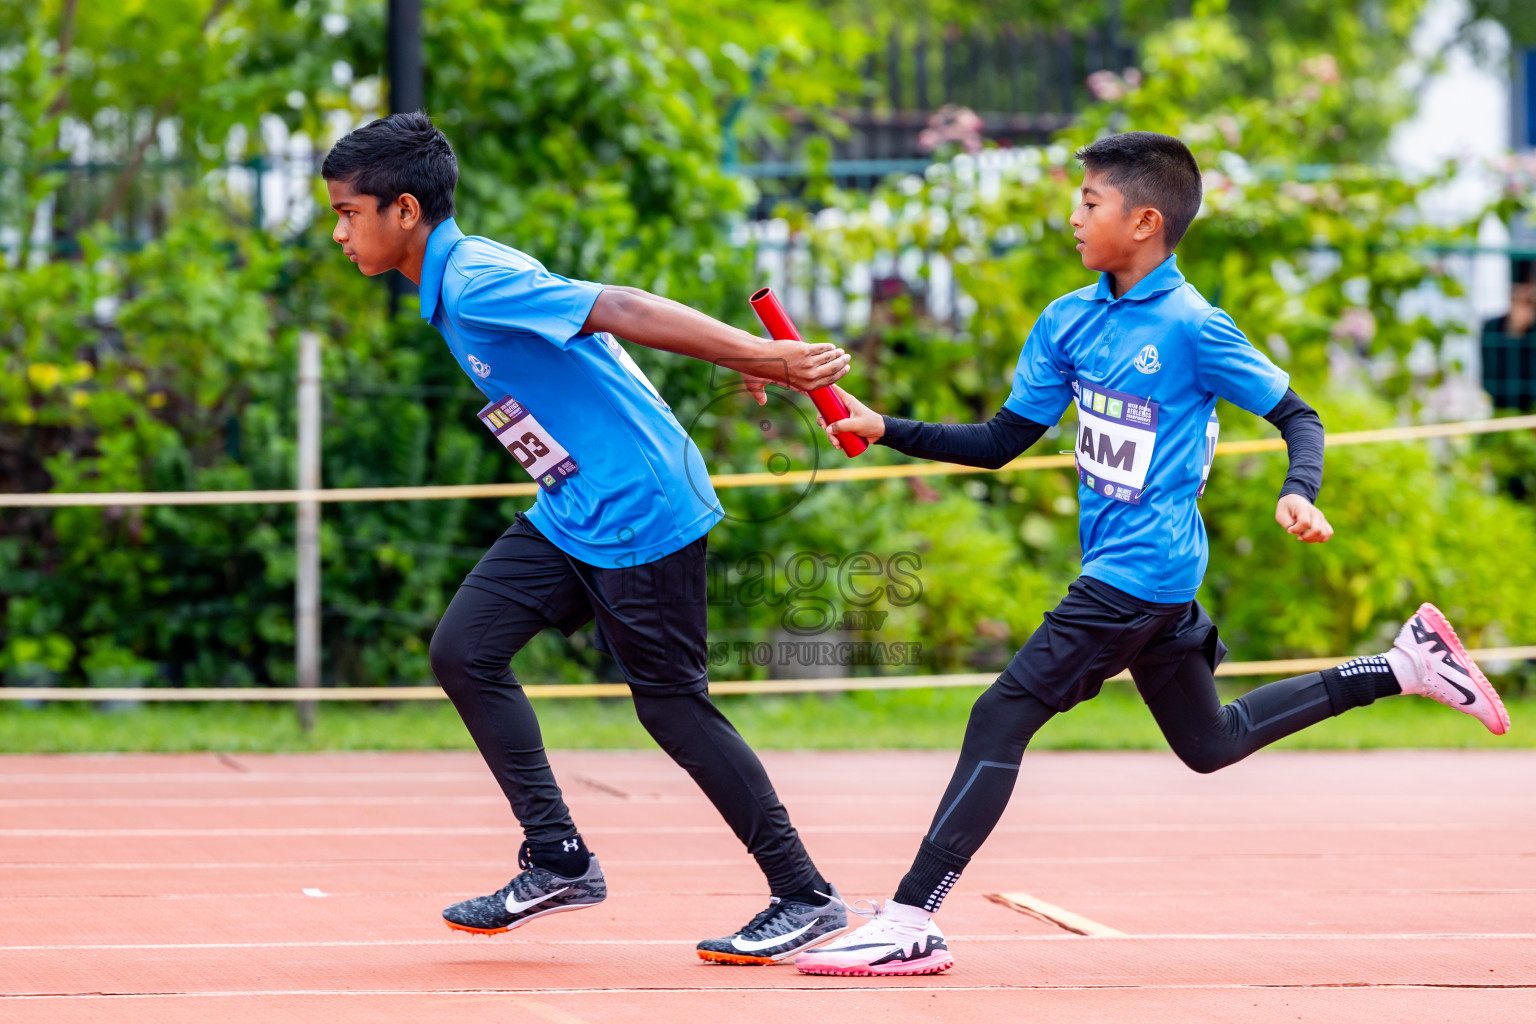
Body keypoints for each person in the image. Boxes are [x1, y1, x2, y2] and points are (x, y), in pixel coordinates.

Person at [794, 131, 1512, 978]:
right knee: (1211, 743)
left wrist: (1300, 490)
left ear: (1143, 221)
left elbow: (1299, 416)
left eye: (1089, 202)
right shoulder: (1067, 320)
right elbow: (999, 442)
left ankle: (913, 916)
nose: (1072, 216)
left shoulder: (1195, 328)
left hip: (1140, 572)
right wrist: (885, 430)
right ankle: (1402, 666)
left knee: (1000, 716)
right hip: (1146, 579)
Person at [322, 112, 852, 964]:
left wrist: (768, 355)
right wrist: (743, 359)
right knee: (465, 651)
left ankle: (805, 895)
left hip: (641, 507)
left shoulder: (474, 280)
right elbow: (597, 345)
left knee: (673, 709)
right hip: (573, 505)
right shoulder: (463, 276)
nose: (340, 233)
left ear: (406, 211)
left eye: (349, 213)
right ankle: (558, 858)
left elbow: (620, 308)